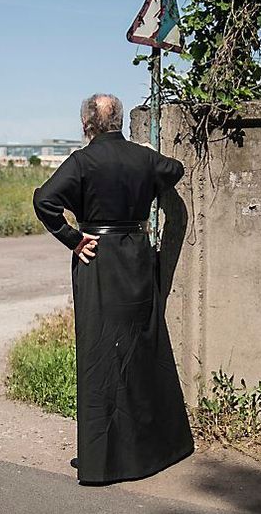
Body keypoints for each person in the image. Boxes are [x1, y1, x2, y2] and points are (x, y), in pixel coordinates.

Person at [32, 93, 194, 485]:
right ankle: (156, 450)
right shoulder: (142, 158)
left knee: (100, 355)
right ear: (118, 121)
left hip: (99, 262)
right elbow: (175, 170)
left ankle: (104, 461)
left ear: (87, 123)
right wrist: (148, 153)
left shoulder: (82, 161)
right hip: (138, 259)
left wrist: (73, 238)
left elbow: (44, 200)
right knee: (142, 352)